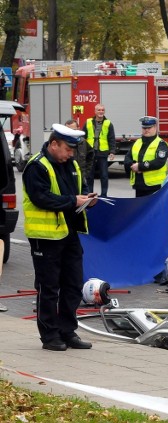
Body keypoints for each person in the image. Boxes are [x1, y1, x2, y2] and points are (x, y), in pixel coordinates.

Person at [22, 123, 97, 351]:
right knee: (49, 288)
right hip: (45, 237)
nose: (71, 154)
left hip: (69, 232)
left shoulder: (71, 164)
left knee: (73, 284)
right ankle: (50, 336)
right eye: (67, 149)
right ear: (54, 144)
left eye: (73, 150)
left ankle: (67, 331)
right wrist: (74, 201)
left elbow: (77, 191)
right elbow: (41, 198)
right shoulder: (37, 166)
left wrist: (87, 200)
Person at [124, 116, 168, 197]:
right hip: (138, 185)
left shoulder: (161, 144)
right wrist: (133, 165)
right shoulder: (137, 142)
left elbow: (159, 162)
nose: (146, 130)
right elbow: (127, 158)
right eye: (144, 128)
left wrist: (140, 166)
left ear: (155, 127)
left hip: (154, 186)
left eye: (149, 127)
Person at [82, 104, 115, 197]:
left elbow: (111, 138)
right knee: (89, 176)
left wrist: (112, 151)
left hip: (102, 152)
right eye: (99, 110)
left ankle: (104, 195)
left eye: (102, 110)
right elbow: (82, 137)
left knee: (104, 175)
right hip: (90, 152)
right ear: (95, 111)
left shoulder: (108, 123)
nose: (101, 112)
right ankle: (90, 194)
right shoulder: (88, 122)